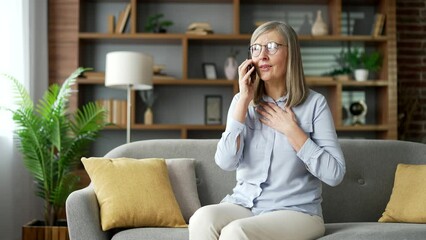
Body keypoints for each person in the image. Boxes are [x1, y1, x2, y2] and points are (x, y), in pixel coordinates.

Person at [188, 21, 346, 240]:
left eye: (271, 47)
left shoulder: (314, 104)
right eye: (256, 48)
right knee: (201, 218)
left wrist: (292, 131)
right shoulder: (241, 101)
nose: (262, 55)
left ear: (291, 53)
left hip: (297, 212)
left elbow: (335, 174)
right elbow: (225, 162)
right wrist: (244, 99)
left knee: (236, 232)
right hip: (245, 204)